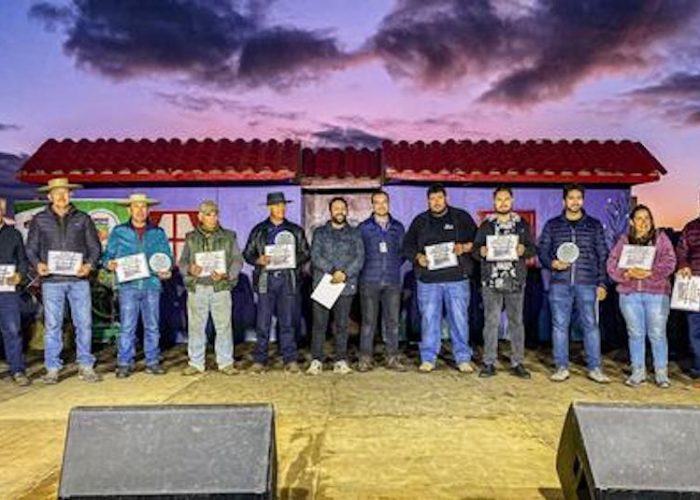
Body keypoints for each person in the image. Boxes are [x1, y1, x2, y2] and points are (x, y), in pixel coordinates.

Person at [26, 177, 102, 384]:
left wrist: (89, 265)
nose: (61, 196)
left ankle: (86, 365)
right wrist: (37, 264)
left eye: (65, 192)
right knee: (53, 326)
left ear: (71, 195)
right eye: (57, 193)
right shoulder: (39, 219)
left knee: (84, 324)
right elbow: (31, 248)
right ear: (49, 196)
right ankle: (52, 368)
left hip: (79, 281)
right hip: (52, 281)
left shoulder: (83, 219)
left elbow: (95, 248)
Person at [538, 184, 610, 384]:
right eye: (571, 198)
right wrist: (552, 263)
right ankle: (561, 367)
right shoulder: (552, 225)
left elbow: (603, 255)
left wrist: (602, 284)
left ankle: (595, 368)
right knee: (560, 326)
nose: (575, 201)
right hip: (559, 284)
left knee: (591, 326)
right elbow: (542, 251)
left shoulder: (594, 225)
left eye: (579, 197)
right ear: (564, 201)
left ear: (583, 200)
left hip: (587, 283)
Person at [403, 183, 477, 373]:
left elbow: (478, 242)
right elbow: (407, 247)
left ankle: (462, 358)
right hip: (428, 281)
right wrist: (418, 257)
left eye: (439, 198)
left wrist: (465, 247)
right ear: (428, 201)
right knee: (429, 320)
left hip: (457, 279)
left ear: (446, 199)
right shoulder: (419, 221)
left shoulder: (462, 218)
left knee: (460, 319)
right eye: (432, 199)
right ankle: (428, 358)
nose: (436, 202)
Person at [103, 193, 173, 378]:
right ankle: (124, 362)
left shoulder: (158, 232)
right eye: (136, 207)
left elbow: (167, 257)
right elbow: (107, 256)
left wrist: (166, 269)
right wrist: (109, 264)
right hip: (128, 285)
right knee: (127, 326)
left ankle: (152, 361)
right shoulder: (119, 231)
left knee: (152, 326)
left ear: (148, 210)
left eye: (144, 207)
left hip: (151, 284)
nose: (140, 211)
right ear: (129, 209)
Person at [607, 205, 675, 388]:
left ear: (652, 221)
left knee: (657, 334)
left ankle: (661, 374)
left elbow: (670, 261)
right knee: (635, 334)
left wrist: (650, 273)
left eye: (647, 218)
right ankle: (638, 372)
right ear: (632, 222)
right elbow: (611, 264)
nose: (643, 222)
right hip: (630, 295)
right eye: (639, 218)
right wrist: (627, 274)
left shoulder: (660, 239)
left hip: (657, 294)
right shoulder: (624, 241)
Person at [473, 186, 536, 379]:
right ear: (494, 202)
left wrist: (523, 250)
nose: (502, 203)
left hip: (515, 280)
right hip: (491, 280)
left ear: (512, 201)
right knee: (491, 322)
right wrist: (481, 252)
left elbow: (533, 250)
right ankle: (489, 362)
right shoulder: (486, 225)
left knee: (516, 322)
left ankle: (517, 362)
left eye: (506, 199)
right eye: (499, 199)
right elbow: (476, 250)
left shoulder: (522, 225)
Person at [243, 192, 310, 373]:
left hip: (288, 280)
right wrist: (258, 260)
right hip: (266, 280)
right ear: (269, 208)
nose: (280, 209)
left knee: (288, 322)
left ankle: (290, 359)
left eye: (283, 205)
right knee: (263, 322)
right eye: (276, 206)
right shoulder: (258, 231)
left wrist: (291, 259)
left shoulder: (296, 230)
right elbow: (247, 254)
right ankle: (260, 359)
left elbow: (306, 252)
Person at [179, 200, 243, 376]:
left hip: (220, 287)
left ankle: (225, 362)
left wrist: (227, 274)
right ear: (200, 216)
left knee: (223, 326)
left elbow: (238, 260)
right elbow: (182, 262)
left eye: (215, 214)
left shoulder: (229, 236)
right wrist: (189, 269)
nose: (212, 217)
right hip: (197, 287)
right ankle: (196, 363)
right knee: (196, 327)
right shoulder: (191, 237)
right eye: (208, 214)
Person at [307, 197, 364, 375]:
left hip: (346, 284)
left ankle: (340, 360)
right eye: (336, 208)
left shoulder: (355, 233)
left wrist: (345, 274)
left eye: (342, 208)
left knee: (342, 325)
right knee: (319, 325)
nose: (339, 211)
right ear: (330, 212)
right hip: (324, 283)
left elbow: (359, 258)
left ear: (346, 211)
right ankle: (316, 360)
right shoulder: (320, 232)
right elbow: (316, 256)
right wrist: (333, 271)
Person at [357, 190, 406, 372]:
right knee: (369, 322)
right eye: (377, 202)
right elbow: (358, 253)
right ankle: (365, 358)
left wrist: (392, 267)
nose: (381, 205)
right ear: (372, 205)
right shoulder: (363, 228)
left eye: (384, 202)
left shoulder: (398, 227)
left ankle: (392, 357)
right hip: (369, 280)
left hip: (392, 281)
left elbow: (403, 253)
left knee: (392, 322)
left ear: (389, 203)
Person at [0, 197, 30, 386]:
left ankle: (17, 369)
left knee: (12, 329)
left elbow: (23, 261)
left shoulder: (13, 234)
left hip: (7, 290)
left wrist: (20, 275)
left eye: (0, 208)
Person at [675, 201, 700, 384]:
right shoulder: (691, 228)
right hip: (694, 286)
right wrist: (683, 265)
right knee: (695, 331)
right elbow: (681, 252)